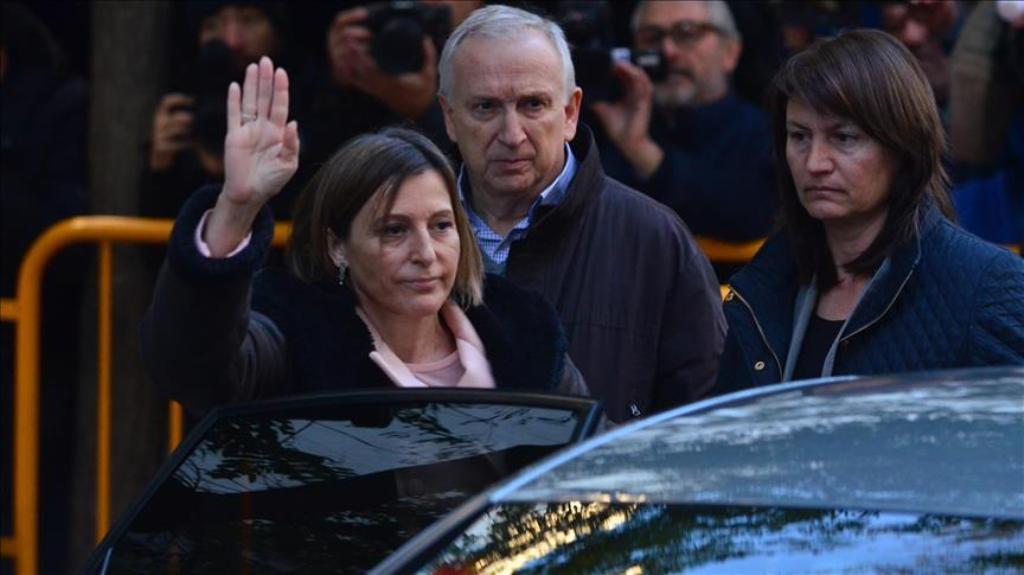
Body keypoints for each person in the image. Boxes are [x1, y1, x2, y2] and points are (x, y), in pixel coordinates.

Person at [141, 58, 587, 415]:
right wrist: (237, 207)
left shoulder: (524, 332)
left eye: (441, 226)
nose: (426, 254)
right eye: (394, 230)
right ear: (337, 246)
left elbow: (592, 464)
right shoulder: (298, 335)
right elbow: (191, 370)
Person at [437, 6, 725, 422]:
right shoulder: (408, 235)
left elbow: (703, 422)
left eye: (533, 105)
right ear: (449, 116)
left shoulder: (652, 238)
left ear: (570, 113)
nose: (512, 134)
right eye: (485, 107)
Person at [716, 29, 1024, 395]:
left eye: (843, 138)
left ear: (903, 146)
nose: (814, 163)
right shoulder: (764, 285)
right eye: (799, 136)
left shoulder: (986, 287)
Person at [589, 0, 776, 243]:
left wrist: (645, 154)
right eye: (651, 37)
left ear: (730, 51)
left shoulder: (766, 133)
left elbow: (748, 216)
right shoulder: (613, 126)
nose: (667, 51)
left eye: (687, 33)